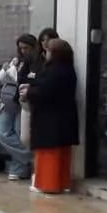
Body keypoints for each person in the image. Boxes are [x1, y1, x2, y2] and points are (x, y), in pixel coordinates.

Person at [25, 39, 79, 194]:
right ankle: (61, 183)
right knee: (61, 154)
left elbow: (45, 92)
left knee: (48, 154)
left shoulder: (54, 70)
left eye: (48, 50)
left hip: (50, 120)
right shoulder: (67, 69)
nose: (45, 53)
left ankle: (49, 184)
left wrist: (29, 92)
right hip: (63, 119)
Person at [0, 34, 39, 181]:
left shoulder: (37, 62)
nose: (24, 51)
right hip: (9, 99)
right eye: (21, 48)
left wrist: (11, 72)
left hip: (23, 102)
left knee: (20, 135)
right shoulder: (18, 60)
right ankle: (29, 159)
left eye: (26, 48)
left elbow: (23, 78)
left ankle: (20, 166)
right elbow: (3, 77)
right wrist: (9, 70)